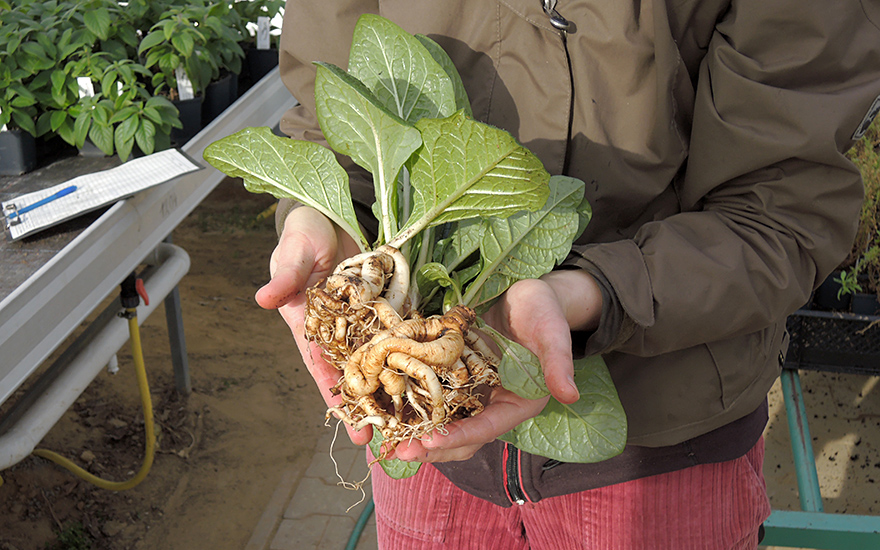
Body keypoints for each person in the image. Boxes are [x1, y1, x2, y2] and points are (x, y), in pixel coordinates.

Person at [258, 1, 880, 548]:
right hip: (431, 465)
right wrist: (321, 215)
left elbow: (780, 208)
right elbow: (333, 105)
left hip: (660, 451)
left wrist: (593, 293)